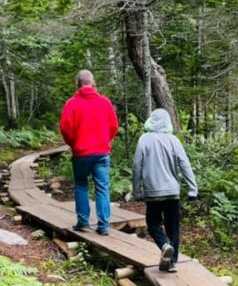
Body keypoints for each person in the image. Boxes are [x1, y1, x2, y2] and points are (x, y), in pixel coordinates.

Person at [132, 108, 197, 272]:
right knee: (173, 227)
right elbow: (185, 165)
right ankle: (172, 262)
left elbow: (136, 167)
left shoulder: (144, 140)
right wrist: (192, 189)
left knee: (153, 224)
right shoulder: (173, 140)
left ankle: (163, 245)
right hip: (172, 192)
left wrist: (137, 191)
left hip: (153, 193)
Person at [59, 69, 118, 235]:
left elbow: (65, 129)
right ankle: (104, 226)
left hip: (81, 153)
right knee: (102, 188)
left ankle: (83, 222)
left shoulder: (71, 104)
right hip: (101, 152)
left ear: (77, 84)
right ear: (93, 83)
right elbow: (113, 126)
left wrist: (74, 144)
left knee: (81, 185)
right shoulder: (104, 102)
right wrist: (106, 140)